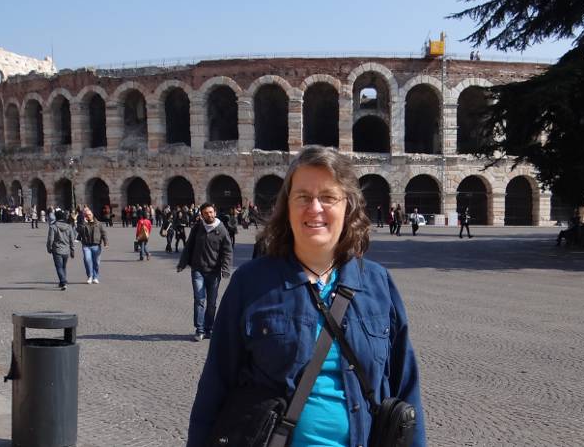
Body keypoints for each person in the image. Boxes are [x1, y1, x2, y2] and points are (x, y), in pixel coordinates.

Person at [185, 146, 426, 447]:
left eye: (328, 197)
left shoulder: (377, 283)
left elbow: (405, 388)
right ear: (287, 207)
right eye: (303, 197)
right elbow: (214, 389)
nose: (315, 208)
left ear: (348, 207)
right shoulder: (251, 283)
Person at [176, 203, 233, 342]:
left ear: (215, 212)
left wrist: (225, 269)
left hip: (214, 271)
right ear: (202, 214)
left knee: (212, 303)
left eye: (211, 212)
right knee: (199, 300)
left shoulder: (221, 229)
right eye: (206, 213)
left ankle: (209, 329)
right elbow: (189, 245)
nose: (210, 215)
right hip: (198, 269)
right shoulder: (198, 227)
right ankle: (200, 330)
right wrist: (182, 263)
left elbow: (227, 251)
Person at [77, 207, 108, 284]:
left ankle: (95, 277)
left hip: (96, 245)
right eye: (86, 215)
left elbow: (104, 233)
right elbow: (78, 231)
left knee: (96, 262)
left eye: (89, 214)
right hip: (86, 245)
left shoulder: (98, 223)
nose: (88, 216)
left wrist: (106, 242)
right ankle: (90, 276)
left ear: (92, 215)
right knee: (87, 260)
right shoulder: (83, 224)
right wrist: (83, 223)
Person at [47, 210, 76, 290]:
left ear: (56, 217)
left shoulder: (53, 226)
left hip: (57, 250)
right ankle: (62, 282)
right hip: (66, 250)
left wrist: (49, 248)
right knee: (63, 267)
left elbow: (50, 239)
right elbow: (72, 240)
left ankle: (63, 282)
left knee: (59, 267)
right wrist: (72, 250)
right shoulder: (69, 226)